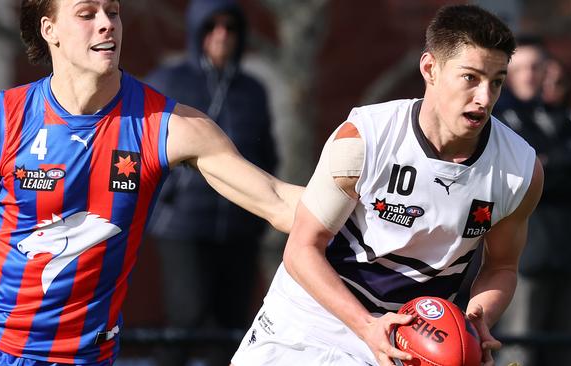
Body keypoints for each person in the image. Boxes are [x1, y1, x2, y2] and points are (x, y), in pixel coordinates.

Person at [0, 0, 302, 365]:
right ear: (49, 31)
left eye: (112, 12)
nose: (106, 24)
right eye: (86, 14)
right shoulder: (8, 117)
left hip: (76, 358)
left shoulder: (168, 125)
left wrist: (356, 182)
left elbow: (280, 203)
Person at [232, 4, 544, 366]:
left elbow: (501, 267)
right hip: (309, 318)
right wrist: (366, 324)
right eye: (471, 78)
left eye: (497, 81)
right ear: (430, 68)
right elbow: (302, 249)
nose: (484, 98)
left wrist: (475, 322)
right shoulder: (364, 140)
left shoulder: (520, 169)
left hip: (408, 335)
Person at [144, 0, 278, 365]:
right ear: (197, 31)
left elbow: (267, 152)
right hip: (183, 224)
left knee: (234, 328)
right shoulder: (170, 81)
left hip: (240, 225)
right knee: (186, 321)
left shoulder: (253, 90)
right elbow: (142, 148)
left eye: (230, 27)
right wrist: (165, 199)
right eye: (212, 26)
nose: (221, 35)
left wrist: (259, 215)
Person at [493, 44, 571, 366]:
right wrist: (560, 165)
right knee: (520, 347)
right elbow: (522, 175)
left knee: (569, 348)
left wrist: (550, 164)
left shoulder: (569, 119)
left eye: (538, 68)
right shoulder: (500, 121)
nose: (532, 76)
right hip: (525, 256)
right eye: (522, 69)